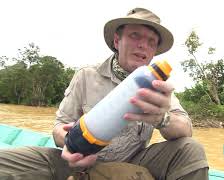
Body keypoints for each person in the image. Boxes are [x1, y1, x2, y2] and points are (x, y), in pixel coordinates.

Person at [0, 7, 208, 180]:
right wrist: (71, 144)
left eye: (151, 41)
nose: (143, 45)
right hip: (76, 161)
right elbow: (58, 129)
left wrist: (162, 118)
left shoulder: (158, 88)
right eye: (135, 35)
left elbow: (185, 129)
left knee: (190, 148)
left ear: (154, 52)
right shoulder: (86, 76)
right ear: (117, 41)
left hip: (132, 164)